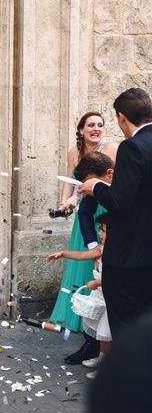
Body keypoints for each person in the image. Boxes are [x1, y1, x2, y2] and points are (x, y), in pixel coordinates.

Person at [79, 88, 152, 340]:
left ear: (122, 117)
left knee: (126, 325)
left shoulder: (132, 147)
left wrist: (95, 186)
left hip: (130, 257)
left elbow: (119, 201)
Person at [50, 112, 117, 364]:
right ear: (80, 129)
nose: (96, 129)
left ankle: (97, 342)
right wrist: (66, 202)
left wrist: (78, 197)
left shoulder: (111, 147)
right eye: (91, 125)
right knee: (84, 267)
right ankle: (87, 332)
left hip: (103, 210)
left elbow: (110, 180)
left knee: (98, 270)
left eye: (100, 125)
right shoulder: (73, 151)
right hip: (85, 216)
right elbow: (71, 182)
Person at [47, 213, 112, 379]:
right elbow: (82, 255)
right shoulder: (100, 249)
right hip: (99, 297)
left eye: (103, 230)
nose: (100, 233)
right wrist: (63, 254)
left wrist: (97, 283)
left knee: (108, 334)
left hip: (110, 298)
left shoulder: (119, 253)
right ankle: (102, 358)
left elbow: (116, 278)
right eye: (100, 230)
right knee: (100, 334)